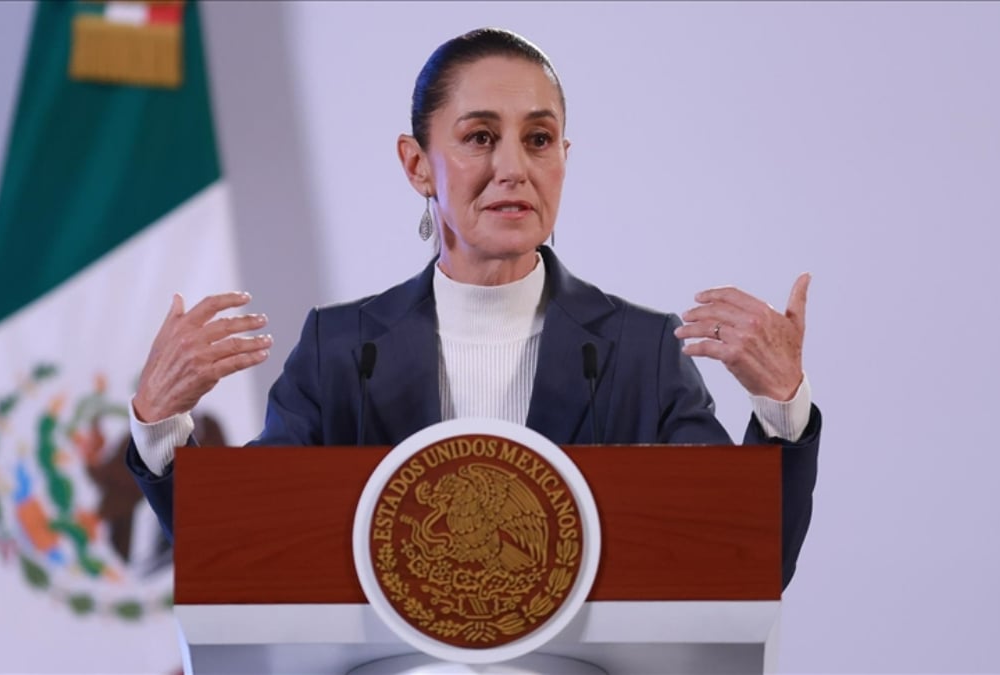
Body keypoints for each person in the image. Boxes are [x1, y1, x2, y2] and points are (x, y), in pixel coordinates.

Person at [125, 28, 821, 589]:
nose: (513, 168)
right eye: (480, 137)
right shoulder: (339, 351)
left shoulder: (642, 353)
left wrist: (780, 408)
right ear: (417, 164)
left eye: (538, 139)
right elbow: (250, 548)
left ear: (563, 158)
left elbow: (743, 562)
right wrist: (159, 426)